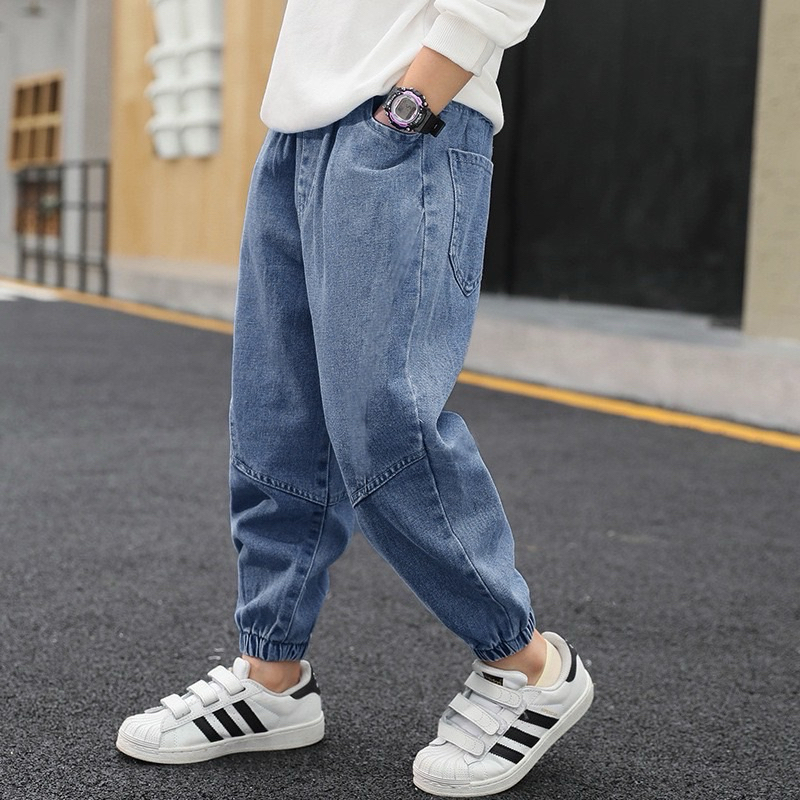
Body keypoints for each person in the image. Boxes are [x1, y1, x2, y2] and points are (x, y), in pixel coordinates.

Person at [116, 0, 593, 795]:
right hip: (297, 132)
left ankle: (528, 664)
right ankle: (271, 678)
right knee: (277, 422)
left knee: (383, 420)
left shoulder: (408, 113)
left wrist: (412, 103)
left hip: (406, 124)